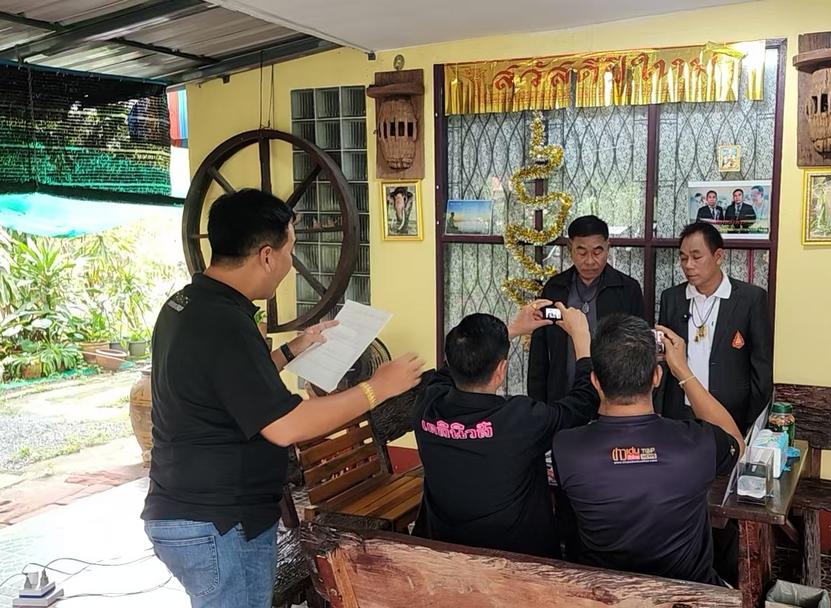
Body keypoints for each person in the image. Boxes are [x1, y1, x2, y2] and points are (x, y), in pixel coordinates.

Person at [142, 189, 424, 607]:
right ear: (266, 255)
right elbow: (286, 426)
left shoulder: (187, 305)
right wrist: (378, 388)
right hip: (215, 522)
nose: (291, 263)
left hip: (199, 511)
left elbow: (228, 385)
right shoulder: (225, 324)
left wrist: (293, 349)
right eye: (290, 250)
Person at [552, 316, 745, 584]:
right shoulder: (697, 443)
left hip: (606, 595)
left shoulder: (567, 448)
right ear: (657, 376)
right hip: (688, 595)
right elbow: (737, 441)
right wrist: (683, 371)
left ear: (595, 381)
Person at [412, 301, 599, 558]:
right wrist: (581, 339)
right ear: (501, 370)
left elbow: (448, 372)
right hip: (515, 559)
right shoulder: (519, 419)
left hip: (444, 550)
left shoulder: (427, 404)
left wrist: (510, 332)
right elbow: (582, 403)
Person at [655, 222, 773, 434]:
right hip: (680, 414)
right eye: (683, 258)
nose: (688, 265)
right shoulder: (672, 298)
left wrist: (749, 421)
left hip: (730, 416)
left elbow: (761, 368)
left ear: (718, 256)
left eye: (696, 257)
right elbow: (663, 360)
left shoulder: (750, 299)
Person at [528, 215, 645, 403]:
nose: (590, 261)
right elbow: (539, 354)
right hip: (561, 399)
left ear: (608, 247)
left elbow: (640, 350)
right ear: (570, 249)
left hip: (613, 400)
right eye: (582, 252)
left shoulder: (627, 289)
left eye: (597, 252)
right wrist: (538, 405)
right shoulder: (555, 288)